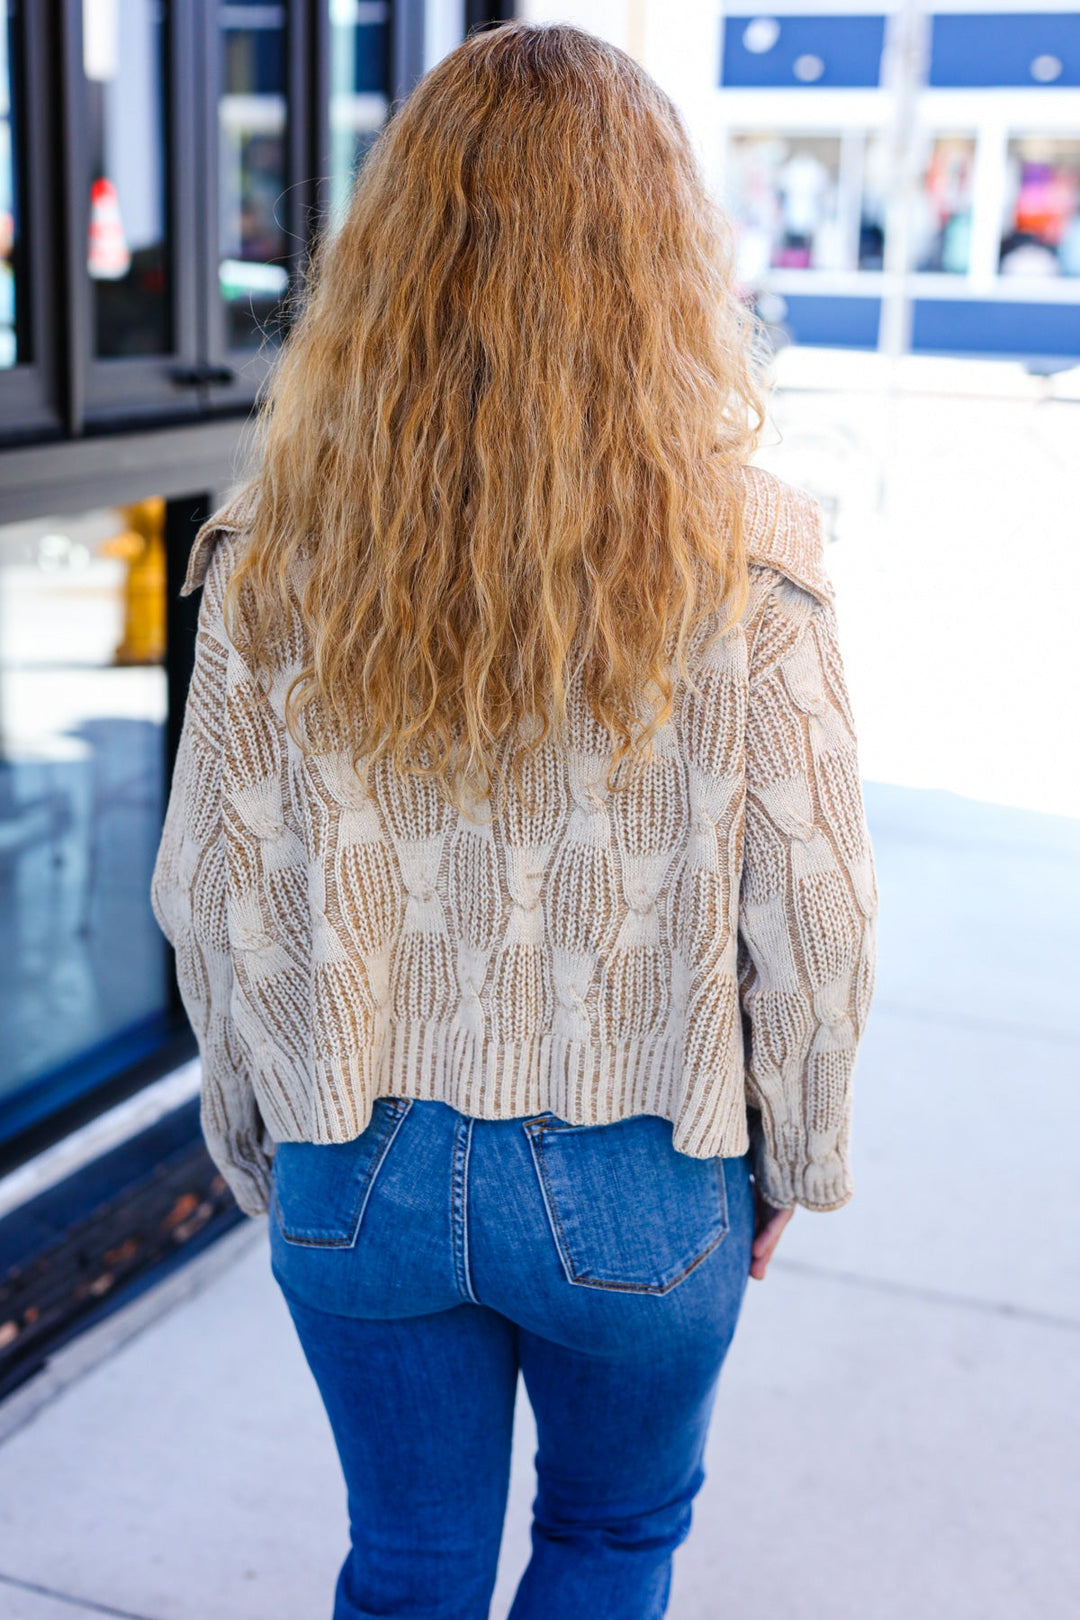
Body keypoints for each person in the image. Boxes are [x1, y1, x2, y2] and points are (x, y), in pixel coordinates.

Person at [151, 22, 878, 1620]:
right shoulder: (752, 551)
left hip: (355, 1151)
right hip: (642, 1167)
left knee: (406, 1564)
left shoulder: (271, 544)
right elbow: (814, 905)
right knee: (611, 1543)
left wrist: (253, 1134)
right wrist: (793, 1160)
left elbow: (212, 893)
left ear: (393, 245)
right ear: (661, 255)